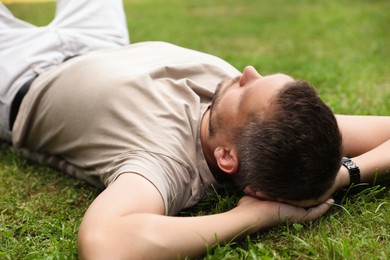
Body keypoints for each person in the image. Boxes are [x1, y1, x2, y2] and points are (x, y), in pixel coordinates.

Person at [1, 1, 389, 259]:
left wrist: (258, 216)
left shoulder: (167, 163)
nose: (248, 72)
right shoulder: (283, 128)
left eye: (246, 90)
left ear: (226, 156)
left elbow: (106, 244)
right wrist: (340, 176)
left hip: (17, 71)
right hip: (98, 43)